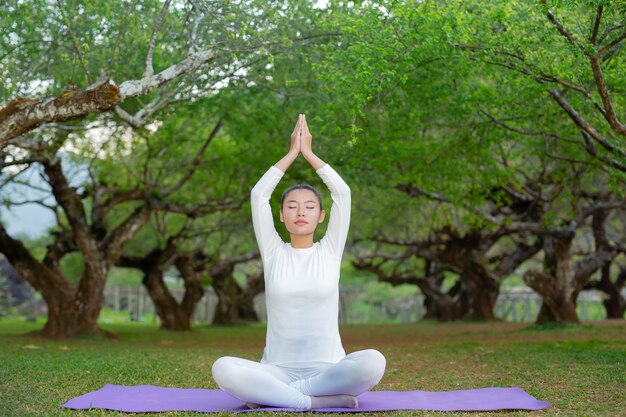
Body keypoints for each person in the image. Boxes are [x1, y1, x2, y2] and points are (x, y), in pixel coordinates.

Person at [211, 114, 386, 410]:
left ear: (321, 216)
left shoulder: (329, 251)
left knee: (373, 362)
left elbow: (342, 193)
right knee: (223, 368)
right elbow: (258, 195)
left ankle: (287, 395)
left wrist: (309, 154)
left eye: (309, 206)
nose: (300, 212)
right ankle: (313, 401)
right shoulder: (274, 252)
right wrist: (292, 153)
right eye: (291, 206)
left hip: (330, 369)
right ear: (281, 216)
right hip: (276, 369)